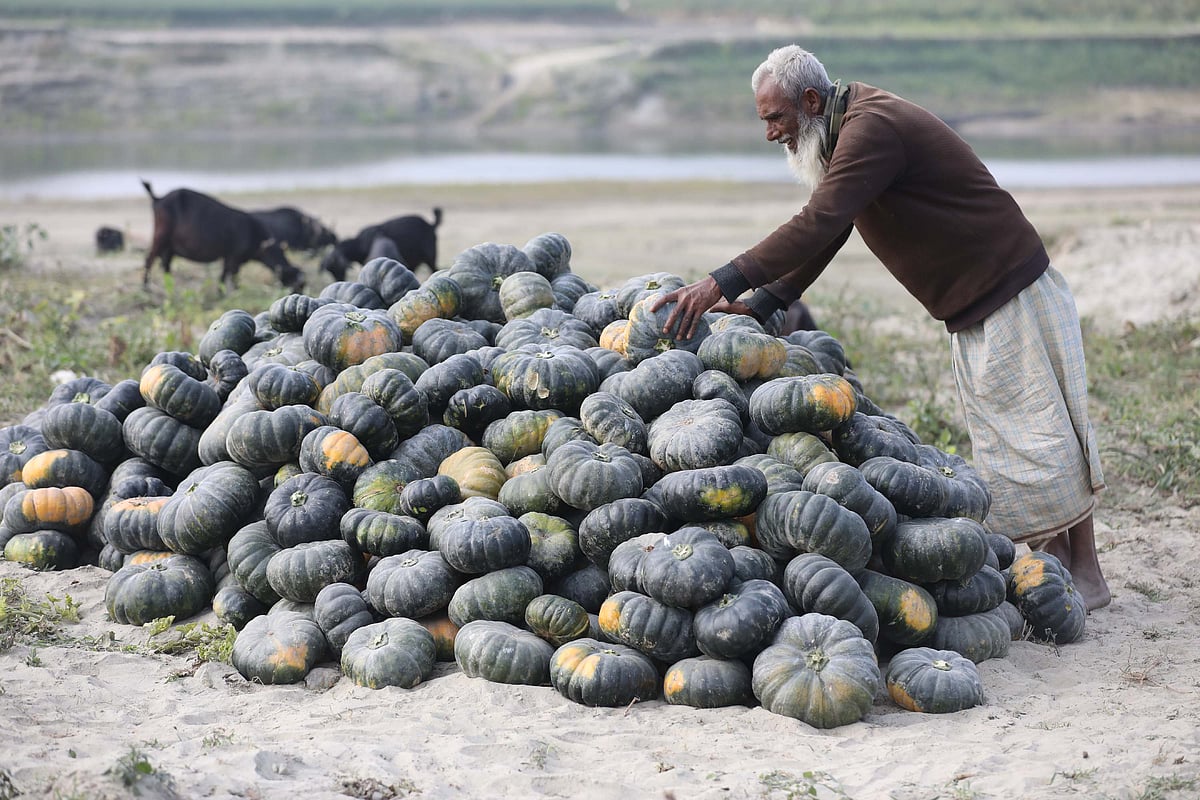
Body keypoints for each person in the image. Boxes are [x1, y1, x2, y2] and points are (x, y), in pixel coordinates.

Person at [650, 44, 1111, 610]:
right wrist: (770, 300)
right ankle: (1060, 561)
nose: (770, 133)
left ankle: (1088, 573)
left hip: (1009, 288)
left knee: (1043, 432)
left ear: (811, 101)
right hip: (977, 300)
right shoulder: (846, 130)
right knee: (1011, 434)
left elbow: (817, 221)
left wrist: (720, 282)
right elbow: (833, 228)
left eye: (775, 118)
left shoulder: (873, 130)